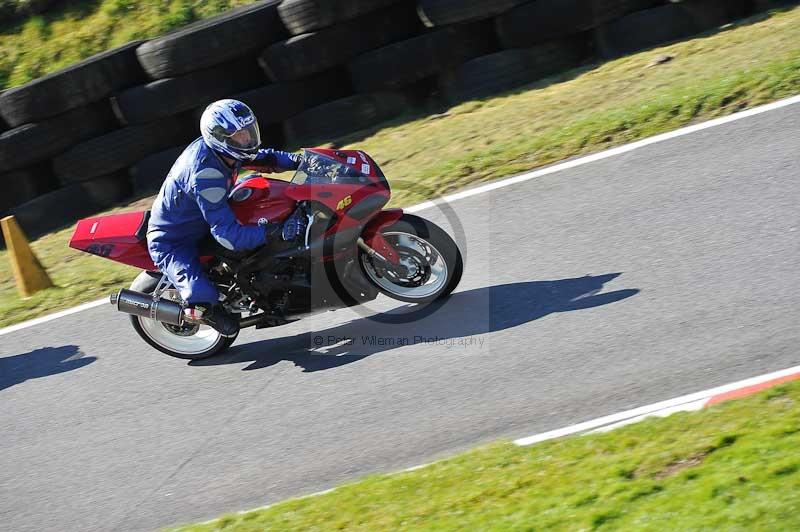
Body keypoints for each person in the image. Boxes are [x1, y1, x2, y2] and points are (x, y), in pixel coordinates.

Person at [146, 99, 305, 338]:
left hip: (208, 215)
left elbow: (264, 158)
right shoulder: (205, 175)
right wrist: (275, 231)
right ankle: (199, 311)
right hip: (174, 240)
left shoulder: (224, 151)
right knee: (203, 299)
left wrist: (300, 161)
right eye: (240, 136)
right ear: (221, 138)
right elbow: (228, 236)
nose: (248, 139)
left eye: (249, 131)